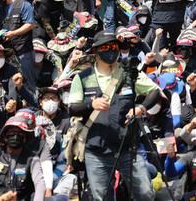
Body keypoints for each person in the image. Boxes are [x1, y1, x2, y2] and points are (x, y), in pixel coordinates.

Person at [67, 31, 160, 201]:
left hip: (128, 148)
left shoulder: (128, 73)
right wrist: (91, 105)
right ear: (95, 51)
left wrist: (141, 108)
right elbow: (72, 108)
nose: (110, 50)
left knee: (145, 193)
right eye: (105, 47)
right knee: (102, 197)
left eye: (114, 47)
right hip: (97, 150)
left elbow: (155, 92)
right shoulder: (82, 77)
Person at [0, 113, 68, 201]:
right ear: (4, 136)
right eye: (12, 132)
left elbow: (40, 183)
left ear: (25, 138)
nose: (16, 136)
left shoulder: (32, 158)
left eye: (20, 133)